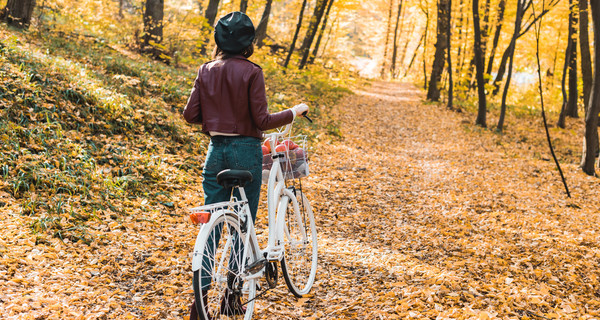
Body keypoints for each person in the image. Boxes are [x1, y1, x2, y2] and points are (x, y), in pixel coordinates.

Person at [182, 11, 309, 320]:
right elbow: (263, 121)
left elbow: (190, 114)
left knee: (211, 222)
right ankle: (232, 295)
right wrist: (294, 111)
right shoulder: (252, 72)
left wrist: (215, 115)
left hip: (215, 152)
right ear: (249, 43)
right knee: (243, 222)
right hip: (245, 151)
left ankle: (199, 301)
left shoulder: (206, 69)